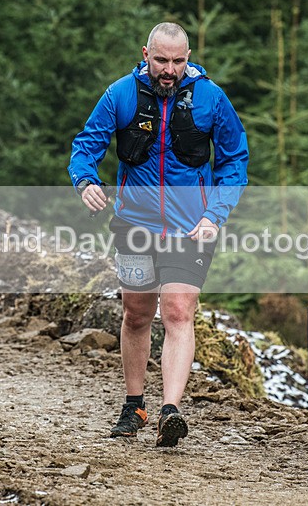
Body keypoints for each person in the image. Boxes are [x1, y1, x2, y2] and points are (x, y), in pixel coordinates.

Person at [68, 23, 248, 446]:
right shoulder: (120, 95)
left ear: (189, 58)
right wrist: (86, 181)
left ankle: (170, 410)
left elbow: (235, 162)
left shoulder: (211, 98)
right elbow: (85, 146)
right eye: (162, 60)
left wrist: (215, 214)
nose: (170, 70)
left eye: (178, 61)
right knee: (136, 314)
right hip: (134, 225)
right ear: (146, 53)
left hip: (192, 227)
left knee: (179, 311)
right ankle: (135, 406)